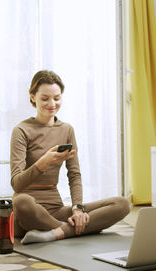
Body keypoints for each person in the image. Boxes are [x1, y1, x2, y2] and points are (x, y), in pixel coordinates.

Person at [10, 70, 130, 244]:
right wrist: (45, 161)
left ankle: (56, 232)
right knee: (21, 201)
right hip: (29, 212)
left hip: (56, 209)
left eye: (57, 98)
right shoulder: (21, 130)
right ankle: (67, 229)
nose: (52, 103)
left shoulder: (66, 130)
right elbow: (17, 183)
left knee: (122, 204)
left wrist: (77, 209)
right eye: (45, 99)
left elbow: (74, 175)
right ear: (32, 97)